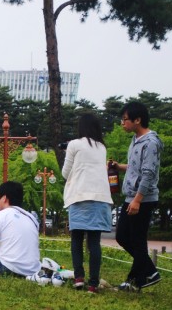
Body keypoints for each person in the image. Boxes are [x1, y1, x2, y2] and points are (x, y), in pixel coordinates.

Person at [113, 101, 164, 291]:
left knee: (136, 239)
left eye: (125, 120)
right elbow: (136, 167)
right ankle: (147, 273)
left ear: (138, 119)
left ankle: (139, 278)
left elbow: (149, 173)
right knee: (123, 236)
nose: (122, 123)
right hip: (131, 196)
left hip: (143, 198)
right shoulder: (135, 139)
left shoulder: (150, 143)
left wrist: (138, 200)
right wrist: (120, 167)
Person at [61, 113, 113, 293]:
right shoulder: (102, 147)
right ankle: (93, 283)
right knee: (94, 242)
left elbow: (65, 173)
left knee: (76, 239)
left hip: (79, 196)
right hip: (100, 198)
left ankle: (79, 278)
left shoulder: (74, 144)